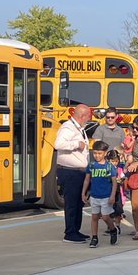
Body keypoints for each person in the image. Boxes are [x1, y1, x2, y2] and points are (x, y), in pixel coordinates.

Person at [54, 104, 92, 243]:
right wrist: (76, 144)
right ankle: (70, 233)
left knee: (78, 203)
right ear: (82, 116)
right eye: (88, 116)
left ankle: (76, 230)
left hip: (79, 172)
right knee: (71, 203)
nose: (89, 119)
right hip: (70, 172)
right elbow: (58, 144)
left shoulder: (80, 128)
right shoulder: (67, 128)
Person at [81, 141, 119, 247]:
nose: (97, 156)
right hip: (94, 196)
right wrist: (83, 193)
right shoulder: (92, 165)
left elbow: (114, 182)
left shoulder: (109, 167)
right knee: (94, 217)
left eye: (100, 153)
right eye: (95, 153)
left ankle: (113, 229)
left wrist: (112, 196)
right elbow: (87, 180)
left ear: (105, 153)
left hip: (106, 197)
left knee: (106, 217)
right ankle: (94, 237)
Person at [96, 107, 128, 222]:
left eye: (112, 117)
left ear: (116, 117)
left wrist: (122, 156)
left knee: (119, 190)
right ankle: (104, 212)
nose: (109, 119)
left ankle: (118, 212)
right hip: (104, 163)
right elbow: (97, 146)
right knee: (105, 189)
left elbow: (123, 146)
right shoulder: (100, 129)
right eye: (108, 117)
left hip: (117, 163)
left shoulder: (120, 130)